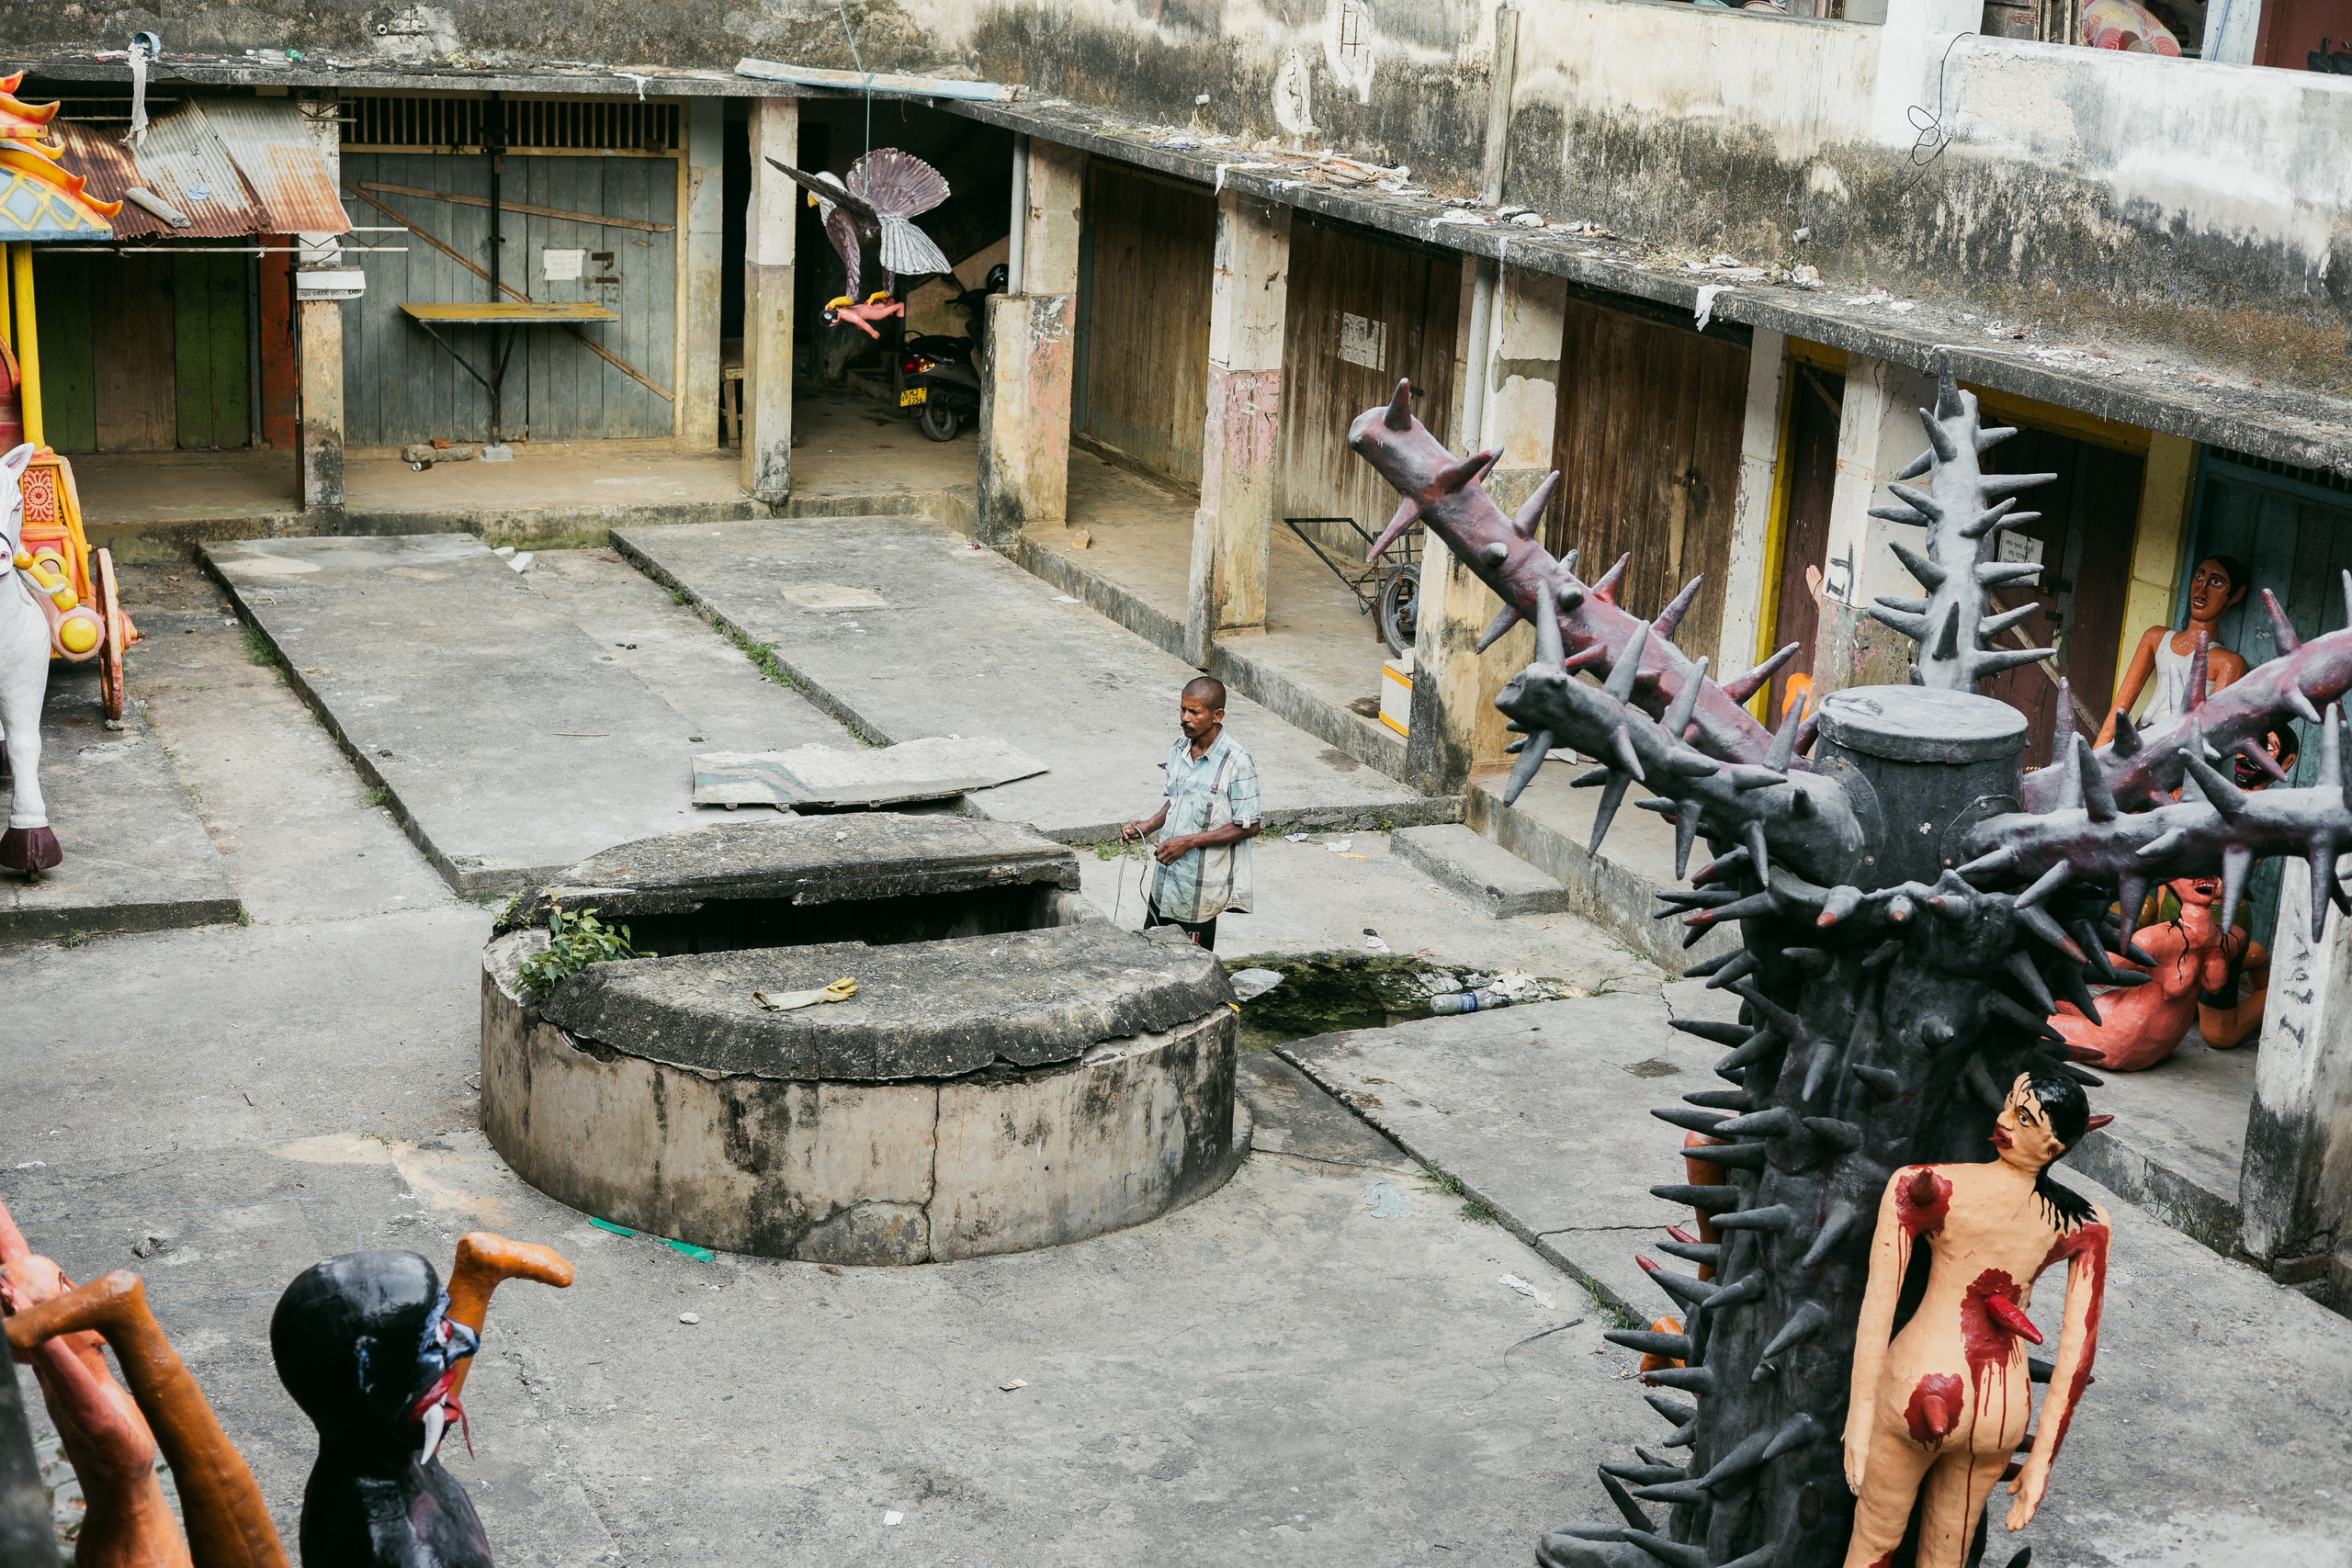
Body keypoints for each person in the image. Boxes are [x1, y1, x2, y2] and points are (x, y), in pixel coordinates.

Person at [1842, 1072, 2109, 1568]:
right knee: (1948, 1556)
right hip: (2001, 1413)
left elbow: (1878, 1307)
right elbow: (2077, 1350)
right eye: (2009, 1104)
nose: (2003, 1119)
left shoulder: (1926, 1186)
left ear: (2052, 1147)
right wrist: (2041, 1460)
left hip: (1921, 1386)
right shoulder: (2085, 1222)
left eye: (2023, 1117)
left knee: (1875, 1540)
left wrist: (1859, 1419)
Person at [1120, 676, 1261, 950]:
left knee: (1189, 967)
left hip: (1200, 889)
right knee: (1151, 952)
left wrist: (1188, 842)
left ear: (1217, 715)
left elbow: (1249, 826)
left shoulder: (1237, 762)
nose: (1185, 718)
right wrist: (1148, 825)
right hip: (1165, 880)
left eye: (1194, 712)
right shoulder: (1179, 749)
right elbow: (1177, 798)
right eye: (1182, 710)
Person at [2097, 554, 2249, 744]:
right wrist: (2096, 752)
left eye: (2217, 583)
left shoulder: (2228, 663)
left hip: (2174, 748)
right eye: (2199, 577)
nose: (2201, 591)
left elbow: (2211, 733)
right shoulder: (2156, 637)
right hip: (2138, 734)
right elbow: (2121, 703)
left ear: (2236, 595)